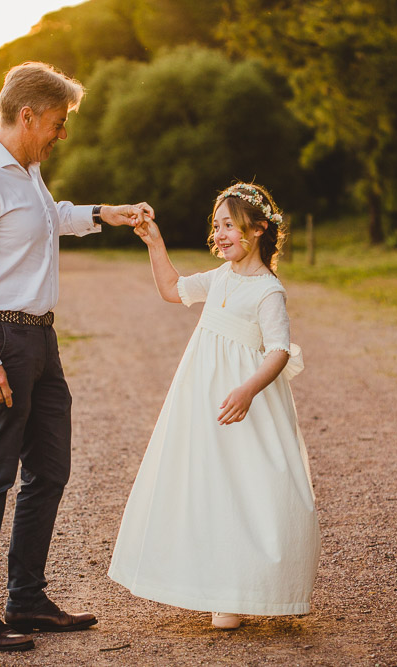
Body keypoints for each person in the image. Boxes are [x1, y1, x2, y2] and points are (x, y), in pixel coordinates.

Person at [0, 61, 153, 653]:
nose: (62, 135)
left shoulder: (25, 171)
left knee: (50, 470)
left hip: (40, 340)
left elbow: (44, 219)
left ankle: (27, 598)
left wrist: (104, 214)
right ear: (27, 115)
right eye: (57, 124)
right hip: (0, 342)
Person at [107, 182, 320, 630]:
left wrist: (247, 390)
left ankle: (254, 588)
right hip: (202, 399)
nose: (221, 234)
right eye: (217, 225)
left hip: (245, 400)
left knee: (250, 484)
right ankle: (218, 588)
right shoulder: (219, 278)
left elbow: (279, 350)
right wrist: (155, 242)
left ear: (258, 230)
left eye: (231, 226)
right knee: (209, 481)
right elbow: (171, 288)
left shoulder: (267, 291)